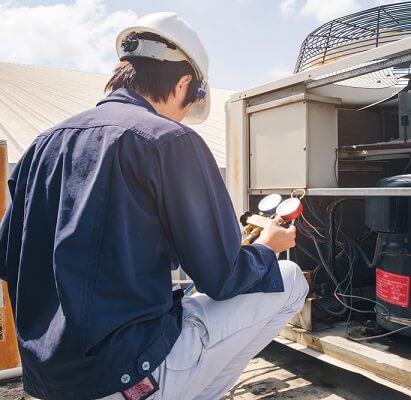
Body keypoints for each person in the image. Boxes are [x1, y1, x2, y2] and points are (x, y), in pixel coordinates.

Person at [0, 12, 308, 400]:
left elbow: (8, 258)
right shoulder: (170, 140)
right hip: (128, 374)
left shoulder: (42, 146)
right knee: (290, 277)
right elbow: (222, 277)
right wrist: (267, 247)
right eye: (190, 102)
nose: (184, 116)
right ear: (183, 84)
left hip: (50, 382)